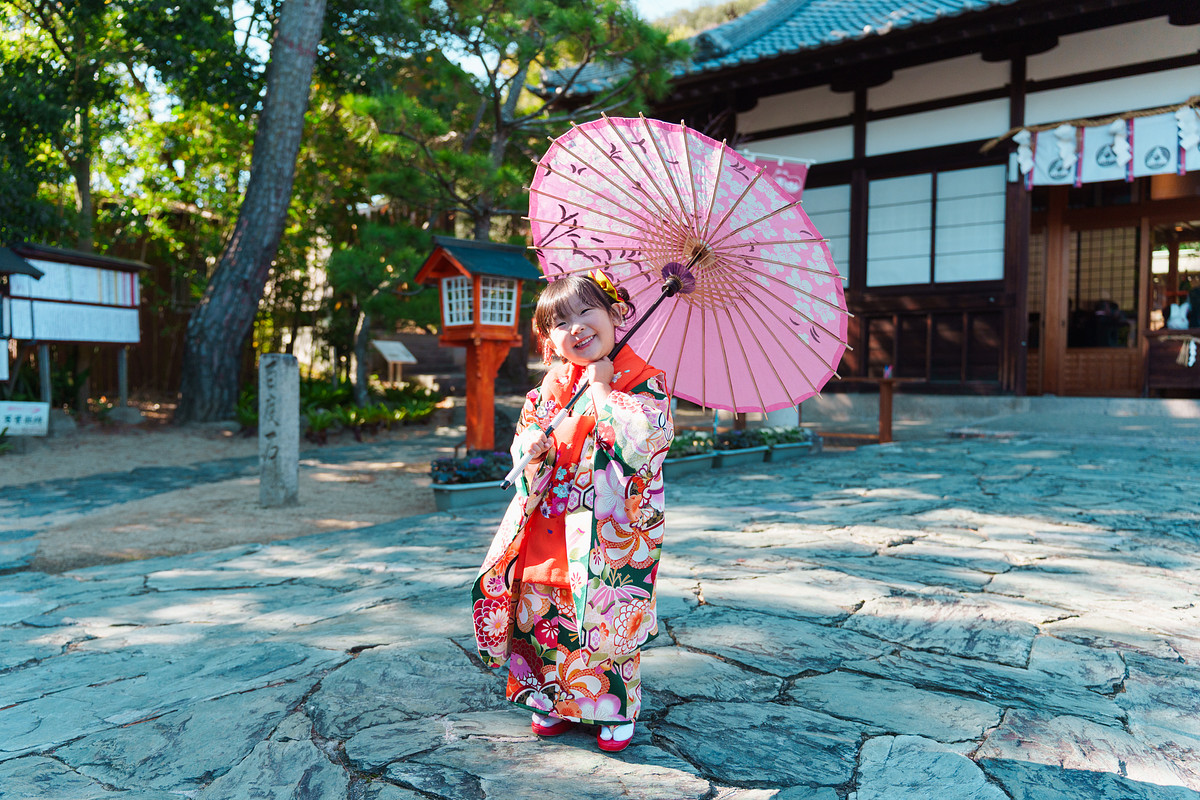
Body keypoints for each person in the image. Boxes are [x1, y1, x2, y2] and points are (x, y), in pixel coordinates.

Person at [470, 269, 673, 752]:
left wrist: (604, 389)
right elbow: (524, 456)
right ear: (549, 339)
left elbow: (645, 448)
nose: (576, 327)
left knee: (602, 616)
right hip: (549, 522)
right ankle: (550, 700)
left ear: (615, 314)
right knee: (542, 609)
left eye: (587, 312)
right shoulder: (548, 391)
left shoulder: (644, 381)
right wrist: (531, 447)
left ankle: (613, 709)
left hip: (608, 530)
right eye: (560, 322)